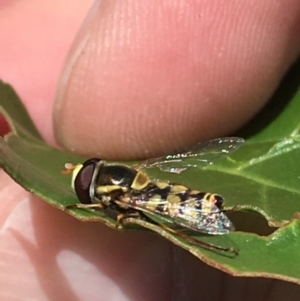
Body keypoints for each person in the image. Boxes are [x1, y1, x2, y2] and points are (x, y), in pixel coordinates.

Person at [0, 1, 300, 300]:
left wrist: (83, 206)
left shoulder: (120, 197)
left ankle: (210, 241)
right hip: (169, 189)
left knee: (165, 220)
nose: (82, 173)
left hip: (170, 202)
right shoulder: (134, 173)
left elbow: (121, 211)